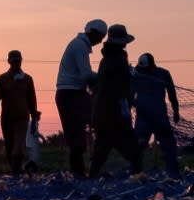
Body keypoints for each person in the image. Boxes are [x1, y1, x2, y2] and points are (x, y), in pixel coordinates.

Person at [89, 24, 142, 178]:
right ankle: (138, 175)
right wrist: (124, 108)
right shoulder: (118, 60)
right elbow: (118, 89)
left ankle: (91, 177)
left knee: (102, 148)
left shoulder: (106, 60)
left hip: (103, 111)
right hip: (113, 111)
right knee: (131, 149)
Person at [55, 19, 106, 177]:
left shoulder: (79, 45)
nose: (100, 41)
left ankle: (82, 171)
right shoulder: (79, 47)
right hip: (71, 94)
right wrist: (104, 77)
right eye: (100, 37)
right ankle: (81, 172)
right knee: (82, 130)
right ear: (93, 33)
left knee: (77, 133)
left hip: (71, 93)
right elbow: (85, 75)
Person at [0, 51, 40, 175]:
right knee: (9, 145)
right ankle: (16, 169)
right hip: (7, 118)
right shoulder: (2, 80)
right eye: (14, 61)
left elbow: (32, 99)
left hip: (22, 118)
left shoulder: (27, 79)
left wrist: (34, 117)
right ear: (9, 62)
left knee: (19, 144)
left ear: (21, 61)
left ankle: (16, 171)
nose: (16, 63)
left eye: (18, 61)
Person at [131, 52, 181, 178]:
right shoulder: (140, 75)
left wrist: (176, 111)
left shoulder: (144, 74)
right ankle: (136, 172)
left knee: (166, 144)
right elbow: (130, 95)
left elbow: (172, 94)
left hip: (153, 115)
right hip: (151, 115)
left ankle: (173, 172)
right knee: (139, 145)